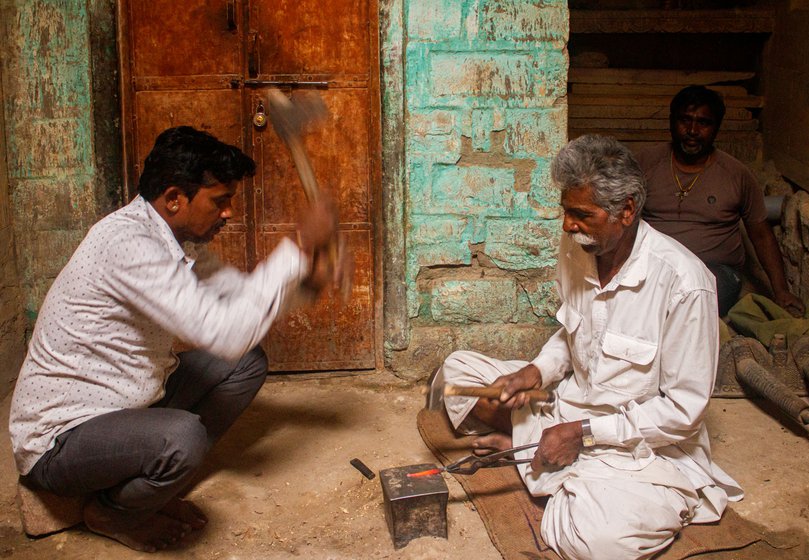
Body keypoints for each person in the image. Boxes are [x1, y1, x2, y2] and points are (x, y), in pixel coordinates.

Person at [9, 126, 348, 552]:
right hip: (62, 437)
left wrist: (306, 281)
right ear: (174, 199)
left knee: (245, 363)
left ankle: (149, 488)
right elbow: (223, 332)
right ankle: (114, 511)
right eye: (219, 202)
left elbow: (235, 297)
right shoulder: (129, 244)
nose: (228, 213)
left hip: (127, 403)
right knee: (182, 438)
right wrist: (299, 247)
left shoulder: (170, 240)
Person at [432, 135, 743, 560]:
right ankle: (547, 457)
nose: (567, 225)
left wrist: (584, 434)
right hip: (570, 408)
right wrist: (536, 371)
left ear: (627, 211)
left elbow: (683, 412)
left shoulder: (685, 284)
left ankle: (543, 460)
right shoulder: (579, 246)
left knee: (600, 542)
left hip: (641, 446)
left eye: (581, 214)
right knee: (456, 372)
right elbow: (574, 331)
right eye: (565, 211)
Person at [637, 85, 803, 317]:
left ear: (716, 128)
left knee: (694, 301)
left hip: (715, 272)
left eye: (703, 123)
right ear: (671, 121)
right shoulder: (644, 164)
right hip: (654, 266)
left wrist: (781, 291)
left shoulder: (736, 174)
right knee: (638, 298)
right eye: (685, 120)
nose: (692, 130)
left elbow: (762, 235)